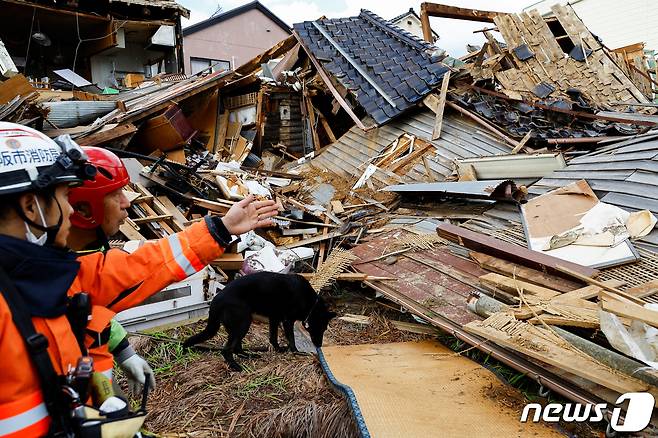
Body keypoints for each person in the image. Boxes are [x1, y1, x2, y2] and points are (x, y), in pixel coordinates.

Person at [0, 122, 278, 437]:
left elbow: (141, 266)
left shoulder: (52, 274)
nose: (69, 207)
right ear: (30, 207)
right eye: (64, 195)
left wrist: (220, 229)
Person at [67, 146, 153, 395]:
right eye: (116, 195)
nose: (127, 203)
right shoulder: (51, 270)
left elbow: (90, 313)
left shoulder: (80, 256)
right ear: (83, 208)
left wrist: (124, 351)